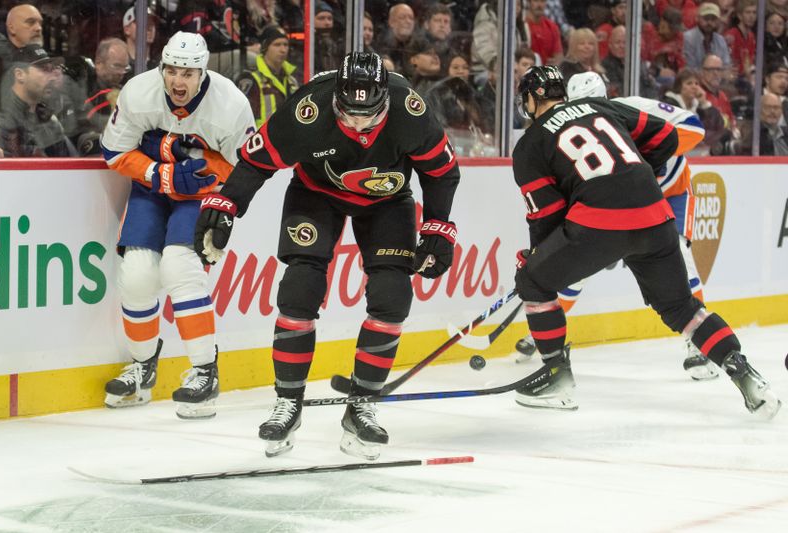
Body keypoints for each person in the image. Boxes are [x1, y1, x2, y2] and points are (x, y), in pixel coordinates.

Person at [193, 52, 460, 460]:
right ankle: (288, 403)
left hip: (388, 200)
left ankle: (362, 405)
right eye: (347, 115)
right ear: (335, 98)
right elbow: (255, 162)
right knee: (300, 287)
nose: (356, 126)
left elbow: (441, 171)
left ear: (384, 100)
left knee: (392, 296)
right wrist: (226, 205)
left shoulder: (410, 109)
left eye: (366, 117)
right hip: (315, 195)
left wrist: (438, 227)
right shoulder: (308, 109)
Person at [510, 65, 780, 419]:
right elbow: (667, 136)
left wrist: (537, 257)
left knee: (532, 280)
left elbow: (546, 215)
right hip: (655, 215)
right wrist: (636, 172)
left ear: (531, 99)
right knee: (682, 307)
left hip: (599, 224)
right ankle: (747, 376)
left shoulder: (530, 143)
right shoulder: (604, 107)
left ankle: (557, 379)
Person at [516, 71, 717, 380]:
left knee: (681, 258)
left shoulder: (629, 106)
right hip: (615, 198)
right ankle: (544, 329)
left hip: (668, 192)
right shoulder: (578, 120)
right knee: (574, 269)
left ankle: (698, 345)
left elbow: (692, 126)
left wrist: (642, 160)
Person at [100, 32, 256, 419]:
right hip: (153, 189)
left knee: (180, 269)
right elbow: (113, 151)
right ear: (161, 68)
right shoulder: (139, 93)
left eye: (187, 71)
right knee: (136, 276)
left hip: (205, 193)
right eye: (171, 70)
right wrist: (160, 172)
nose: (178, 81)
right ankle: (142, 368)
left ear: (203, 72)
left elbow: (250, 166)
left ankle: (205, 372)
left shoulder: (231, 105)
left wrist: (208, 173)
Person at [0, 45, 73, 157]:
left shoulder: (50, 122)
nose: (52, 77)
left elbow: (67, 168)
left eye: (52, 69)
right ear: (20, 75)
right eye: (44, 69)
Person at [237, 25, 299, 124]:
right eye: (277, 45)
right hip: (261, 137)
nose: (283, 50)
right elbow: (242, 118)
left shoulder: (292, 81)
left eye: (285, 44)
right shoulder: (251, 78)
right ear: (265, 47)